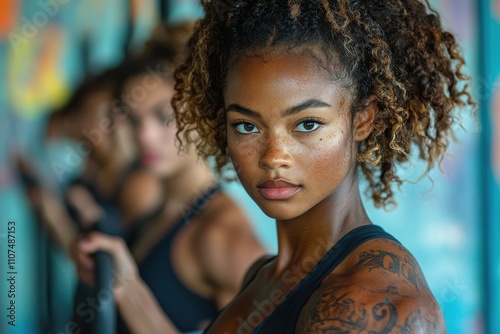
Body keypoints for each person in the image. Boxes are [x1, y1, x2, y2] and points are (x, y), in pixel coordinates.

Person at [73, 0, 475, 332]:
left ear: (364, 119)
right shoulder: (263, 276)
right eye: (247, 125)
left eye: (307, 124)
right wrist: (127, 289)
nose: (272, 156)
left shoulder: (370, 302)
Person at [71, 22, 268, 333]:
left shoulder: (222, 237)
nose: (144, 135)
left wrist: (130, 292)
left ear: (203, 112)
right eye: (135, 120)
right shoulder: (157, 204)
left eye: (164, 117)